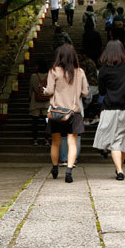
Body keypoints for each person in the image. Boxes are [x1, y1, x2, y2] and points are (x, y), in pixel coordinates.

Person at [93, 40, 125, 180]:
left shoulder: (103, 70)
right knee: (124, 141)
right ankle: (119, 168)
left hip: (109, 109)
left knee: (114, 141)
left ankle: (119, 170)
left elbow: (102, 91)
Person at [44, 44, 89, 183]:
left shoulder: (54, 71)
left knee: (56, 142)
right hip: (73, 113)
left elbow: (49, 91)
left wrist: (44, 91)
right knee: (72, 142)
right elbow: (85, 92)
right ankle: (69, 171)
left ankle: (55, 167)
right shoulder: (80, 72)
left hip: (57, 112)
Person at [29, 59, 51, 146]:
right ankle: (46, 139)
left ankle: (35, 139)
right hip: (46, 102)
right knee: (46, 122)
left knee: (35, 122)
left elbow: (31, 89)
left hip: (35, 101)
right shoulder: (49, 76)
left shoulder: (33, 76)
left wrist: (30, 97)